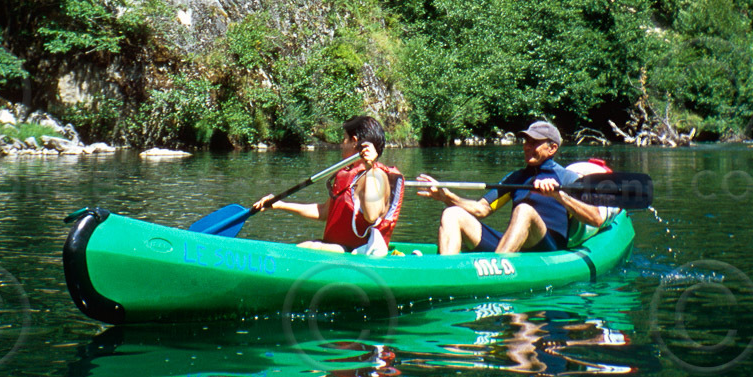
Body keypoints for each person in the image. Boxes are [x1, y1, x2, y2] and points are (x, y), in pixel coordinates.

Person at [417, 120, 607, 255]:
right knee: (452, 214)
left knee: (524, 210)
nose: (526, 147)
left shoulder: (567, 178)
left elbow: (596, 219)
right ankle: (448, 272)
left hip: (548, 248)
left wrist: (559, 195)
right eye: (526, 141)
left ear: (552, 148)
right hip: (513, 244)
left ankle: (497, 272)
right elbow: (481, 209)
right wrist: (447, 197)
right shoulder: (516, 177)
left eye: (534, 143)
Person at [252, 116, 405, 255]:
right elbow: (325, 211)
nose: (341, 144)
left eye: (344, 139)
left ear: (354, 141)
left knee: (311, 247)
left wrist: (369, 167)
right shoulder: (348, 174)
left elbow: (371, 216)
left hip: (357, 254)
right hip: (338, 249)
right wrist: (280, 205)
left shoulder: (377, 175)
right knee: (311, 246)